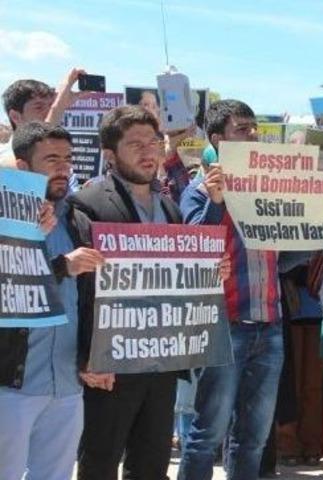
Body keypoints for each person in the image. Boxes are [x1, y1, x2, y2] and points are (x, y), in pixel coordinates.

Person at [178, 99, 323, 479]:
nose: (252, 135)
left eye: (255, 128)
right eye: (242, 129)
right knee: (208, 433)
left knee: (253, 436)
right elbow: (194, 251)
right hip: (223, 326)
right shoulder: (199, 193)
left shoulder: (267, 191)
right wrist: (217, 204)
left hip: (269, 324)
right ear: (217, 138)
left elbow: (283, 259)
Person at [70, 105, 186, 479]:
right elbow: (82, 289)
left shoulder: (170, 208)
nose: (148, 151)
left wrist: (206, 271)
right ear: (109, 154)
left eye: (153, 141)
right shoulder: (88, 204)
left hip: (161, 358)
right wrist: (88, 354)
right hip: (111, 361)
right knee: (101, 459)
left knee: (152, 463)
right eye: (135, 143)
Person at [0, 122, 104, 480]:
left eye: (68, 158)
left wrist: (93, 354)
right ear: (24, 166)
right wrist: (60, 265)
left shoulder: (79, 220)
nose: (64, 167)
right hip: (13, 383)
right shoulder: (3, 220)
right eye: (52, 159)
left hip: (66, 385)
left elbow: (91, 298)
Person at [1, 69, 85, 166]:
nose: (49, 111)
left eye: (50, 105)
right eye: (39, 107)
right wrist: (59, 105)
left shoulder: (61, 161)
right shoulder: (4, 158)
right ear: (15, 116)